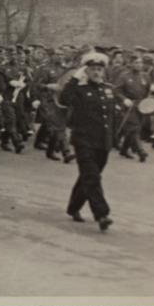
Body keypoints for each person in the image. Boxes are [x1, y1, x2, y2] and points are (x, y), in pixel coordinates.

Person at [59, 52, 132, 232]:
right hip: (84, 141)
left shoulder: (109, 89)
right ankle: (102, 214)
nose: (97, 72)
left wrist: (115, 138)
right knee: (92, 177)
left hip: (103, 142)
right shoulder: (80, 89)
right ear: (86, 71)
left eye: (99, 69)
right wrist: (75, 78)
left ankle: (73, 207)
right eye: (93, 69)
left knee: (89, 177)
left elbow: (113, 117)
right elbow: (64, 99)